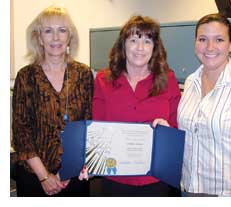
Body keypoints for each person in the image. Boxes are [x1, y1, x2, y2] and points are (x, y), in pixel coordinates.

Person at [92, 15, 181, 196]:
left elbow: (177, 127)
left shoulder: (168, 79)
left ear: (155, 47)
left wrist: (168, 131)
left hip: (157, 179)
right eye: (133, 40)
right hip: (116, 178)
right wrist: (91, 161)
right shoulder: (103, 80)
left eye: (147, 41)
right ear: (123, 45)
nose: (140, 48)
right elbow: (97, 127)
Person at [12, 6, 93, 196]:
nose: (56, 38)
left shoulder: (83, 74)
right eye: (48, 31)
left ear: (69, 37)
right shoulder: (26, 76)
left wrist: (70, 170)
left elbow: (88, 125)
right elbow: (20, 132)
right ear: (39, 38)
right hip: (34, 177)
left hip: (74, 177)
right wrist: (44, 176)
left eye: (62, 30)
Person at [177, 13, 231, 196]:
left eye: (219, 40)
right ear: (195, 43)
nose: (210, 47)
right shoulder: (191, 82)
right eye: (203, 39)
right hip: (192, 187)